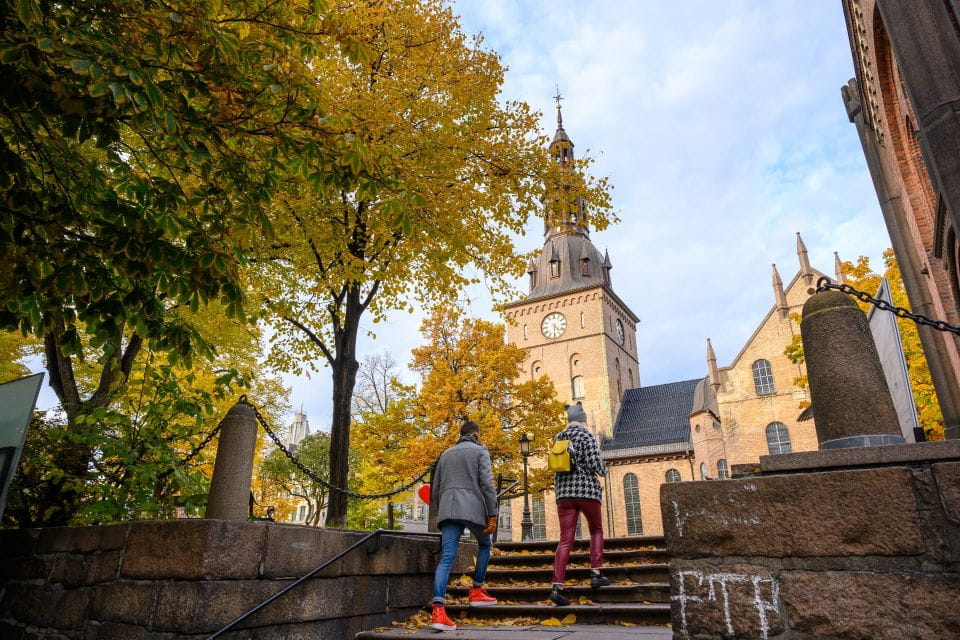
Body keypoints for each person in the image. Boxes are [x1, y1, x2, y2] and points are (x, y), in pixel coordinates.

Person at [428, 420, 499, 631]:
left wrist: (443, 510)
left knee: (447, 558)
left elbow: (436, 489)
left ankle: (439, 610)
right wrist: (492, 513)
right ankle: (477, 590)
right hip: (472, 509)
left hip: (448, 510)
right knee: (485, 545)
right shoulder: (480, 451)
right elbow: (487, 483)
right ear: (476, 435)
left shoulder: (446, 454)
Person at [549, 401, 610, 606]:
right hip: (586, 492)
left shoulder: (559, 437)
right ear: (582, 420)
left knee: (565, 540)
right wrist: (604, 469)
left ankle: (557, 586)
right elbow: (596, 465)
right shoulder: (586, 435)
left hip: (563, 495)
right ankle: (595, 572)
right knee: (596, 530)